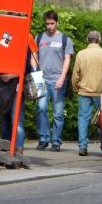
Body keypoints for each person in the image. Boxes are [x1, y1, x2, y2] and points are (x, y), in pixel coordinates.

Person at [34, 10, 74, 152]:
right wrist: (35, 72)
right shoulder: (39, 37)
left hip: (57, 79)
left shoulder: (65, 39)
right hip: (42, 79)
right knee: (41, 108)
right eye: (47, 24)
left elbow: (67, 59)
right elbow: (34, 56)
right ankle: (43, 138)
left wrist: (62, 78)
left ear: (57, 22)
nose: (49, 26)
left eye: (52, 23)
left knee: (58, 112)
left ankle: (56, 141)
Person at [72, 30, 102, 157]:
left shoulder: (81, 54)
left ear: (88, 40)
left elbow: (75, 75)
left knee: (83, 119)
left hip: (84, 91)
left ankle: (82, 147)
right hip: (100, 92)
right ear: (99, 40)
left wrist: (75, 88)